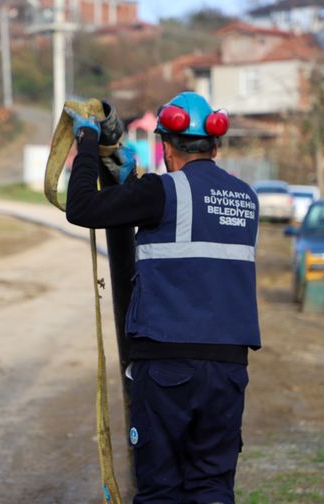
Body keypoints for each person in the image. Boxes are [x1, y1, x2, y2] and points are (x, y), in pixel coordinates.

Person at [65, 92, 260, 504]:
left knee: (161, 490)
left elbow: (80, 207)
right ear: (215, 146)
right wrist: (131, 187)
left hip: (168, 367)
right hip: (227, 369)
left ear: (166, 147)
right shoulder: (246, 199)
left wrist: (85, 141)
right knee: (212, 485)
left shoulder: (162, 192)